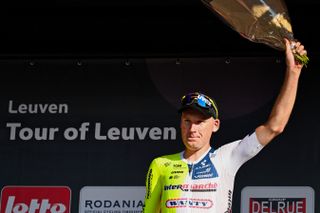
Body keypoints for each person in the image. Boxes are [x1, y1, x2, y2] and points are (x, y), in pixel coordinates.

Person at [142, 39, 307, 213]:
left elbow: (275, 127)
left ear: (215, 125)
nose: (192, 129)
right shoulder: (161, 164)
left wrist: (293, 72)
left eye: (200, 122)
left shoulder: (227, 157)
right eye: (187, 121)